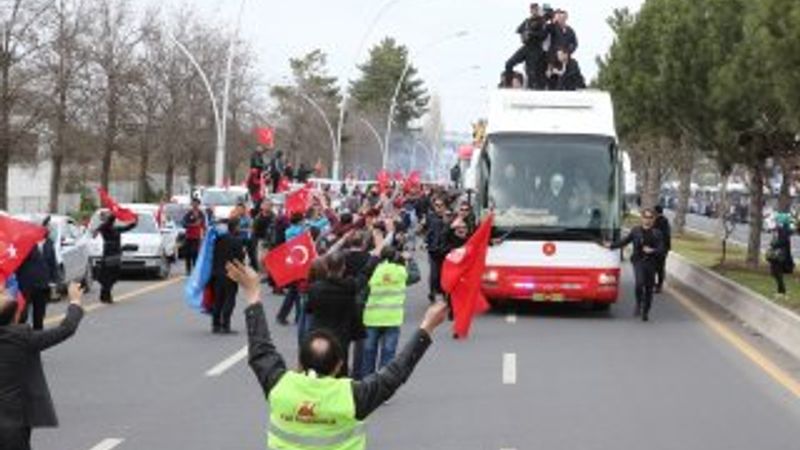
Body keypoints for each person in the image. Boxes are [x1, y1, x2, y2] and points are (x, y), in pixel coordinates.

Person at [227, 259, 449, 450]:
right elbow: (396, 372)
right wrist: (426, 327)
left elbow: (260, 348)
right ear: (338, 366)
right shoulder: (352, 396)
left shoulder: (280, 387)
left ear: (300, 363)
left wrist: (253, 295)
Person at [0, 282, 84, 450]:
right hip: (13, 425)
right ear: (17, 316)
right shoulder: (22, 338)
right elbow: (66, 328)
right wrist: (75, 301)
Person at [361, 247, 421, 376]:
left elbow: (363, 293)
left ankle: (367, 381)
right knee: (388, 352)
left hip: (372, 317)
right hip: (392, 318)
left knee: (368, 351)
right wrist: (410, 260)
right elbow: (416, 276)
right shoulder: (401, 272)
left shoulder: (373, 270)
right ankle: (383, 381)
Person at [604, 209, 666, 322]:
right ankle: (638, 303)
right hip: (638, 261)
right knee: (639, 283)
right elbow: (625, 241)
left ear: (653, 219)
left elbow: (662, 249)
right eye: (645, 217)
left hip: (651, 263)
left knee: (648, 288)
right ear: (642, 218)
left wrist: (652, 250)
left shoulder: (657, 233)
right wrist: (611, 246)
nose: (648, 220)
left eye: (650, 217)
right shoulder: (636, 231)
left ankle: (646, 311)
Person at [93, 212, 137, 304]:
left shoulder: (115, 228)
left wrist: (134, 222)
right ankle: (106, 296)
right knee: (107, 276)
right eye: (105, 217)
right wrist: (115, 212)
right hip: (108, 254)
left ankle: (106, 294)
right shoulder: (104, 227)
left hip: (116, 254)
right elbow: (108, 222)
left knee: (114, 276)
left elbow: (127, 228)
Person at [211, 220, 245, 334]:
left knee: (218, 299)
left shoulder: (217, 240)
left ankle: (215, 324)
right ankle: (226, 325)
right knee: (229, 299)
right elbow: (239, 259)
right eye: (238, 226)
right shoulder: (237, 241)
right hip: (230, 273)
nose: (240, 229)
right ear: (234, 228)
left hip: (216, 273)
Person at [504, 3, 549, 89]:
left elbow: (543, 35)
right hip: (526, 47)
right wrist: (524, 36)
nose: (534, 11)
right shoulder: (527, 21)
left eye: (536, 9)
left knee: (531, 72)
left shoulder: (543, 21)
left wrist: (531, 34)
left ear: (538, 10)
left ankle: (533, 90)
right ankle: (508, 84)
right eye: (532, 9)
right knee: (509, 63)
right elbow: (519, 31)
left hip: (536, 48)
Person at [424, 197, 450, 303]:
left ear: (445, 206)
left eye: (440, 205)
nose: (438, 208)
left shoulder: (449, 217)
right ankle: (432, 292)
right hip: (433, 250)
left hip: (446, 250)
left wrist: (446, 222)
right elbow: (427, 231)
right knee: (434, 274)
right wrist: (426, 242)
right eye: (436, 206)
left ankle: (444, 293)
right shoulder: (430, 217)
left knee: (443, 274)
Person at [767, 213, 794, 300]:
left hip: (780, 256)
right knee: (776, 273)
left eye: (777, 220)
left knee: (777, 273)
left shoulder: (783, 230)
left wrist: (773, 244)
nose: (776, 222)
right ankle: (781, 291)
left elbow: (782, 242)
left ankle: (782, 292)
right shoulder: (782, 230)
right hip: (780, 255)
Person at [182, 198, 206, 275]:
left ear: (198, 204)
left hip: (196, 237)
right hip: (188, 236)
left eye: (196, 203)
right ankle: (188, 270)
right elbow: (184, 224)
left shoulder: (201, 214)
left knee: (195, 253)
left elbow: (203, 225)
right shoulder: (188, 214)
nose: (195, 205)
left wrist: (204, 234)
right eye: (193, 203)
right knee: (187, 254)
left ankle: (195, 269)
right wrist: (192, 225)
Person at [653, 205, 672, 293]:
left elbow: (657, 235)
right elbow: (668, 236)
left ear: (656, 212)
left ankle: (658, 285)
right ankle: (658, 285)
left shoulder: (659, 221)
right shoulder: (665, 221)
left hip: (658, 249)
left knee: (658, 267)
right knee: (660, 267)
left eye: (654, 211)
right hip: (663, 249)